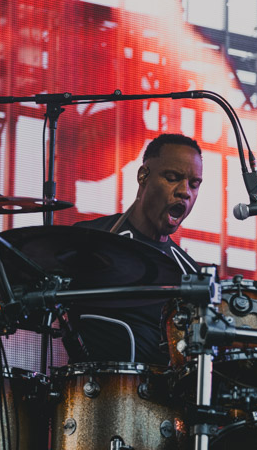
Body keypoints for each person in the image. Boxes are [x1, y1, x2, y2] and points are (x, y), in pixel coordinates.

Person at [72, 133, 203, 363]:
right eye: (173, 177)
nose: (185, 191)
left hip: (163, 396)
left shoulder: (189, 274)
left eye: (194, 184)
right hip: (92, 389)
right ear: (143, 176)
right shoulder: (92, 238)